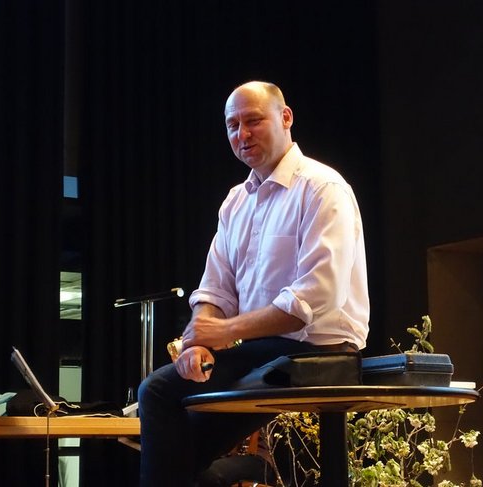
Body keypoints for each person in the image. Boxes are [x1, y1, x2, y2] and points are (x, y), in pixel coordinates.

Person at [138, 80, 369, 486]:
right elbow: (215, 289)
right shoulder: (236, 201)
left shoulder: (323, 187)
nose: (242, 134)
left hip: (321, 347)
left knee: (156, 393)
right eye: (232, 125)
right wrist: (199, 341)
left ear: (285, 117)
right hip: (263, 349)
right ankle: (237, 472)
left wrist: (223, 332)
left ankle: (237, 471)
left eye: (253, 121)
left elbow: (316, 297)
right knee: (177, 451)